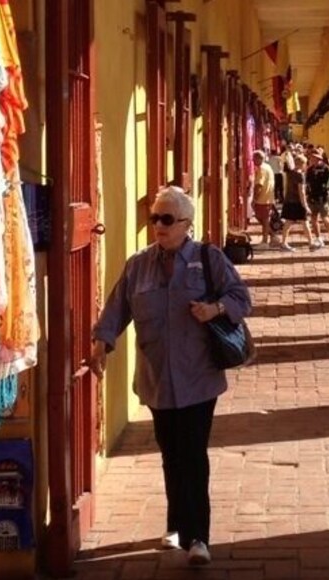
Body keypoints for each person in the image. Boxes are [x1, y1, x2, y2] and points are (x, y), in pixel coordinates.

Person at [89, 186, 253, 567]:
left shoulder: (208, 259)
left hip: (197, 376)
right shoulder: (138, 264)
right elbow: (117, 308)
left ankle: (199, 536)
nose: (158, 226)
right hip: (156, 378)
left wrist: (214, 309)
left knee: (192, 454)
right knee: (170, 452)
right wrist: (102, 341)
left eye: (166, 219)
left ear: (186, 224)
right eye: (154, 218)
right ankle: (176, 523)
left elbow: (242, 298)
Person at [280, 153, 314, 251]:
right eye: (305, 164)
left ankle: (284, 243)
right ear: (302, 164)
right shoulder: (300, 175)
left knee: (288, 222)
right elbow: (302, 192)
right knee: (305, 222)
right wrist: (305, 206)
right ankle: (311, 243)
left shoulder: (290, 173)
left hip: (288, 200)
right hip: (298, 202)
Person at [305, 150, 329, 247]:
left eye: (314, 158)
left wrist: (328, 193)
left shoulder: (326, 169)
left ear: (319, 158)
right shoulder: (309, 169)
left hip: (322, 197)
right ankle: (318, 238)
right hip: (312, 197)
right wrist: (307, 194)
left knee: (325, 218)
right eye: (311, 158)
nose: (312, 159)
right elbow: (307, 182)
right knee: (314, 218)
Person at [250, 151, 276, 249]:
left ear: (259, 158)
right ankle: (273, 236)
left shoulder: (261, 169)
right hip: (268, 196)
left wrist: (254, 199)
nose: (253, 161)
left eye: (254, 158)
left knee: (264, 219)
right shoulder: (268, 167)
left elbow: (259, 185)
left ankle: (265, 241)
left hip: (263, 198)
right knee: (262, 218)